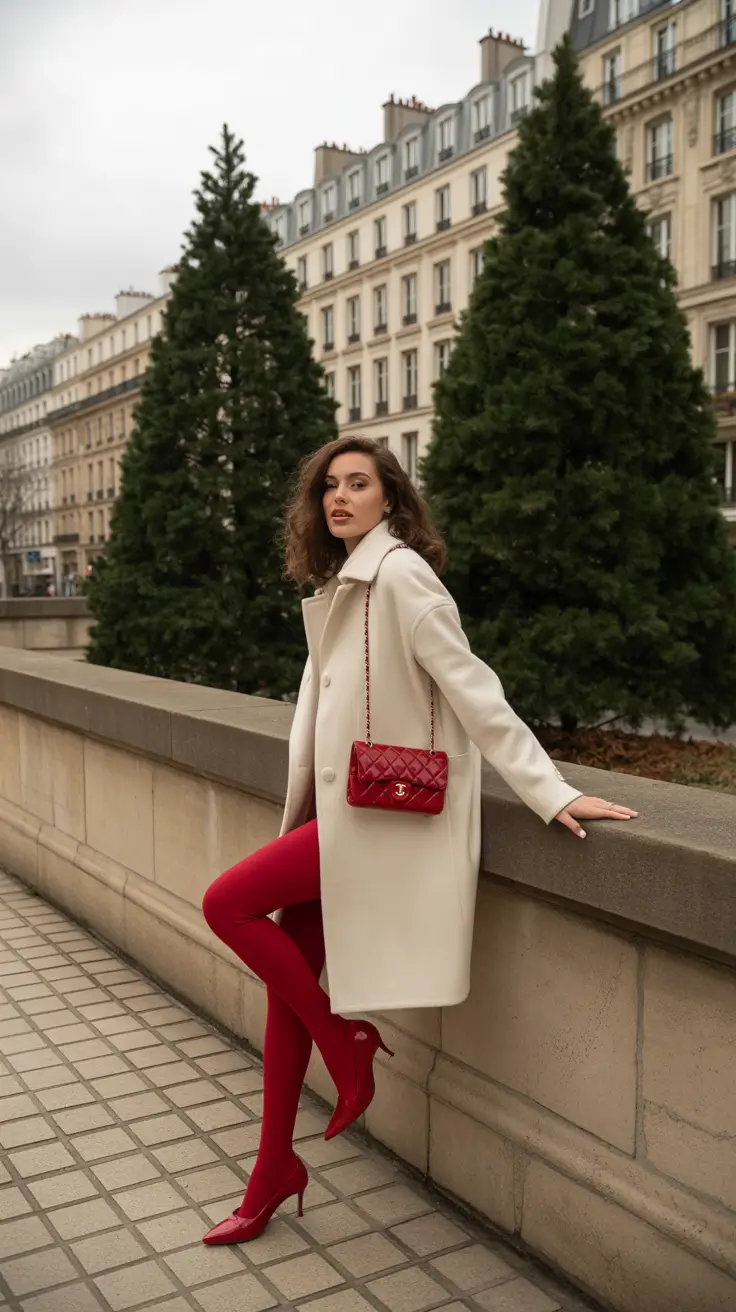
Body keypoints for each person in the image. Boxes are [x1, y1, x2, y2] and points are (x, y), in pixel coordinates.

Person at [200, 436, 637, 1245]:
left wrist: (552, 790)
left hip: (376, 822)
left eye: (358, 484)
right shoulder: (343, 583)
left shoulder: (401, 577)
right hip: (340, 818)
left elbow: (475, 693)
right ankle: (270, 1175)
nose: (339, 498)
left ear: (389, 499)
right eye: (329, 486)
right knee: (284, 1005)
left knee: (224, 904)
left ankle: (347, 1041)